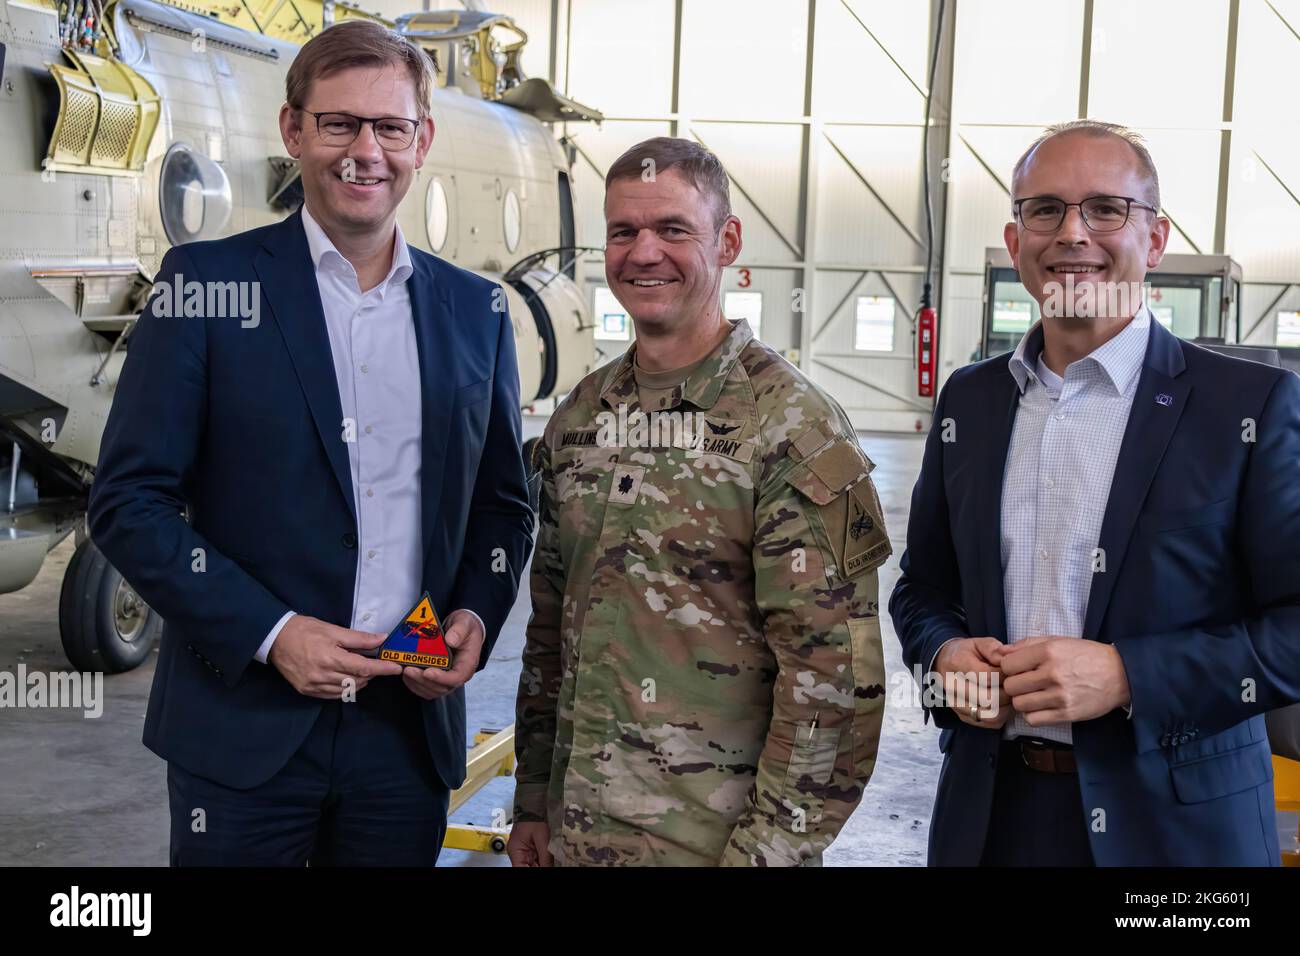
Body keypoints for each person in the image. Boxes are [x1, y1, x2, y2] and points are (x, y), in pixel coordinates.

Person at [88, 20, 533, 865]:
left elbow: (503, 507)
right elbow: (128, 502)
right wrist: (273, 630)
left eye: (390, 127)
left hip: (406, 734)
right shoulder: (207, 287)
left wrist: (475, 610)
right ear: (294, 131)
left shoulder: (475, 313)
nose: (365, 150)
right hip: (242, 730)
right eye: (339, 124)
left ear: (421, 140)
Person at [890, 120, 1300, 866]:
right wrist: (945, 652)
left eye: (1106, 209)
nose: (1073, 233)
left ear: (1157, 238)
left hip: (1176, 836)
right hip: (991, 820)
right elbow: (922, 588)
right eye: (1044, 210)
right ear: (1017, 244)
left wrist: (1127, 676)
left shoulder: (1251, 408)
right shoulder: (971, 403)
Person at [508, 137, 889, 867]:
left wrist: (768, 853)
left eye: (673, 229)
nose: (644, 252)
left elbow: (835, 682)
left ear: (728, 241)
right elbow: (551, 633)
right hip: (576, 838)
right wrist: (533, 799)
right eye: (624, 231)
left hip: (714, 849)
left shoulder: (790, 427)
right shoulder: (581, 417)